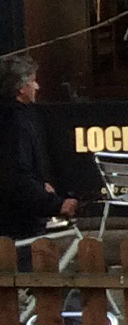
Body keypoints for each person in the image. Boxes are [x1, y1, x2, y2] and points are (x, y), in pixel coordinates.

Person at [2, 52, 77, 239]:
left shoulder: (17, 117)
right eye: (33, 81)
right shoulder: (16, 123)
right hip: (16, 223)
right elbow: (16, 176)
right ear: (21, 88)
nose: (37, 86)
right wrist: (56, 204)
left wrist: (41, 186)